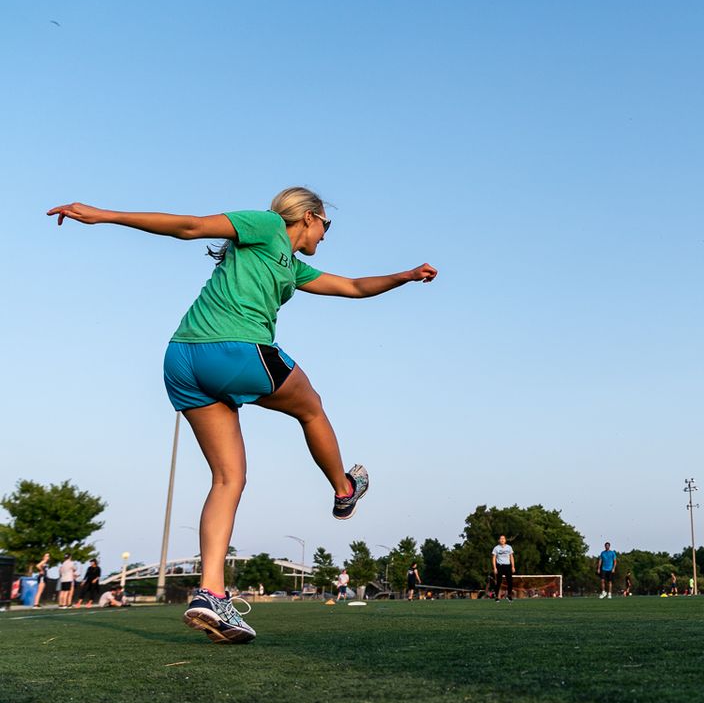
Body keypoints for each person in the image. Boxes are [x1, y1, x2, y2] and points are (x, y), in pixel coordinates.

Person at [49, 191, 436, 644]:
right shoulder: (267, 225)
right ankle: (344, 489)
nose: (326, 235)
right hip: (233, 350)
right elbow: (191, 226)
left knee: (228, 479)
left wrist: (405, 276)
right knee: (311, 408)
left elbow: (351, 287)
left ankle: (210, 594)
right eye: (326, 226)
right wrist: (105, 216)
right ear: (309, 218)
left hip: (182, 360)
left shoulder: (293, 266)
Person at [492, 535, 515, 601]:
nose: (502, 540)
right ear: (499, 540)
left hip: (507, 566)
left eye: (503, 538)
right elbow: (494, 558)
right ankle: (497, 597)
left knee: (510, 582)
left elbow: (511, 557)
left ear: (505, 540)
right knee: (498, 582)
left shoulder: (509, 547)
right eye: (501, 539)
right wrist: (495, 568)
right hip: (499, 566)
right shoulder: (496, 548)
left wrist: (513, 566)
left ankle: (509, 595)